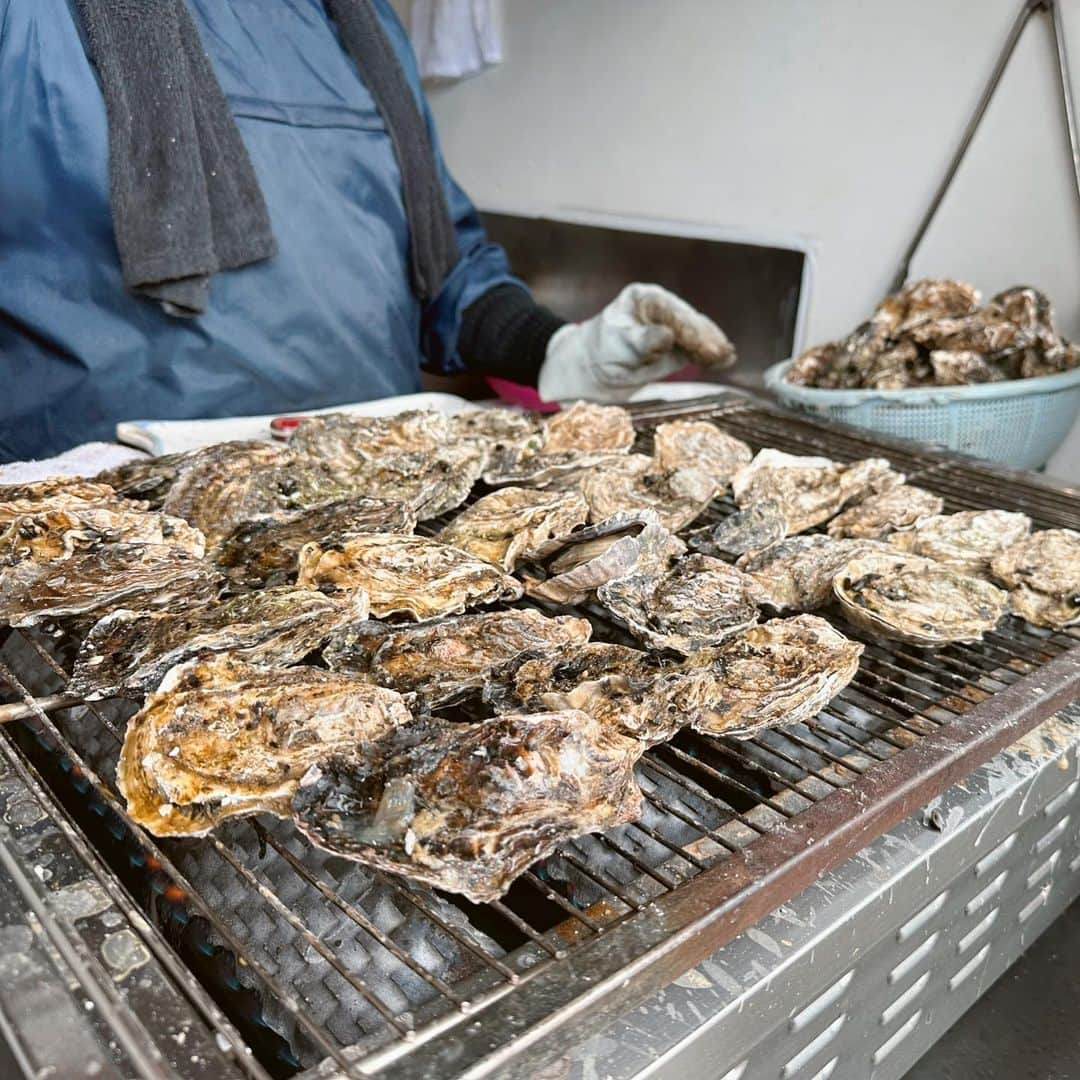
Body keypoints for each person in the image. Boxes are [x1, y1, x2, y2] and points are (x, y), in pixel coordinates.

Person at [0, 0, 732, 463]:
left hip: (371, 510)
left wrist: (557, 350)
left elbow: (441, 264)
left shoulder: (362, 22)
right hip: (107, 537)